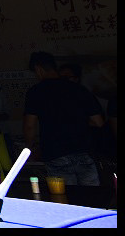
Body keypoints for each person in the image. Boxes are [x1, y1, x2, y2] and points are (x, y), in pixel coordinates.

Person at [23, 52, 104, 186]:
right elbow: (98, 122)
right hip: (84, 151)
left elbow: (29, 126)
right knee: (93, 199)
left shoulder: (36, 92)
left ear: (38, 69)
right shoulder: (79, 89)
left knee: (65, 198)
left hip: (55, 153)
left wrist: (29, 147)